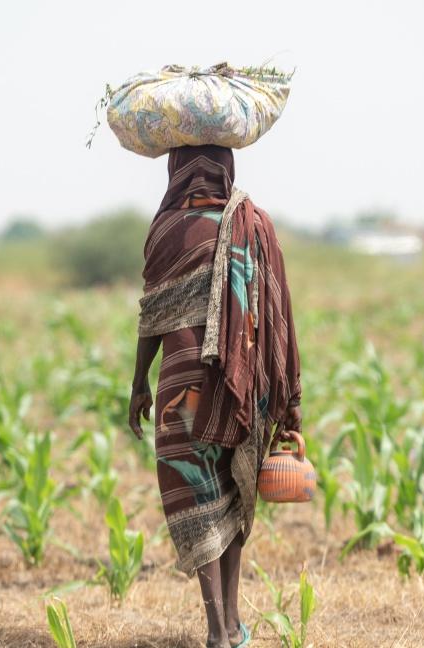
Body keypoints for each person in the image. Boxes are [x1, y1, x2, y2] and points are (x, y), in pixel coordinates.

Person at [128, 144, 302, 648]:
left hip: (182, 387)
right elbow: (278, 313)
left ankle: (215, 630)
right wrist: (290, 399)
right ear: (227, 166)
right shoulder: (254, 223)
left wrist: (139, 382)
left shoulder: (165, 230)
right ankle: (230, 624)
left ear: (176, 168)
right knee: (233, 494)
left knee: (202, 500)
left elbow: (151, 318)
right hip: (241, 383)